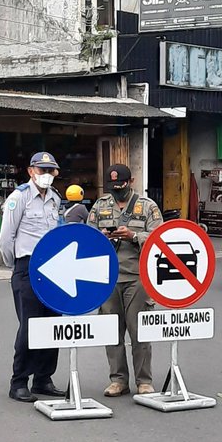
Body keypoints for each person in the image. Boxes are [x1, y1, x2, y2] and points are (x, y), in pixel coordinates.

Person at [87, 164, 163, 397]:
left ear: (131, 182)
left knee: (139, 330)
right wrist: (101, 238)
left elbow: (159, 238)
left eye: (121, 185)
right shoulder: (100, 206)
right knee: (111, 331)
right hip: (108, 277)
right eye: (113, 187)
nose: (117, 190)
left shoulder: (147, 206)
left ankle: (144, 380)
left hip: (137, 277)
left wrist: (133, 236)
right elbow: (87, 237)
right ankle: (118, 379)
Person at [0, 151, 65, 404]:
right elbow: (6, 238)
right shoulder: (20, 197)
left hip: (54, 268)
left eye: (50, 171)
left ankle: (43, 379)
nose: (46, 175)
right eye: (41, 170)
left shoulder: (56, 199)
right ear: (30, 171)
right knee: (30, 326)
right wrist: (17, 266)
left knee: (52, 325)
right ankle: (19, 381)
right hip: (27, 267)